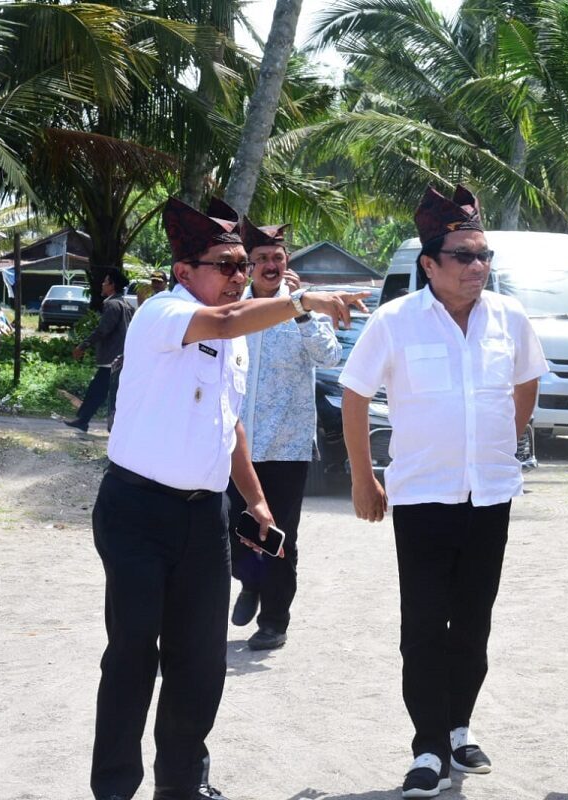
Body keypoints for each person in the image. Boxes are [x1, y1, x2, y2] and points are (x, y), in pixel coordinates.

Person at [89, 197, 365, 800]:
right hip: (137, 511)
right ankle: (114, 788)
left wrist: (257, 502)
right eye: (226, 264)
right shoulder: (163, 312)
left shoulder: (233, 330)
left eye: (244, 264)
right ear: (184, 271)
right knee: (132, 655)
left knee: (200, 660)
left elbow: (230, 422)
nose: (240, 275)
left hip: (204, 516)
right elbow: (225, 321)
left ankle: (182, 785)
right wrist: (301, 302)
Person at [339, 185, 547, 799]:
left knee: (474, 622)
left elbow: (527, 382)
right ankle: (427, 747)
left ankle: (460, 728)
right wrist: (363, 477)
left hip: (490, 495)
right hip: (422, 498)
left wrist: (502, 441)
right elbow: (355, 394)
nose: (477, 266)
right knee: (425, 625)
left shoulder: (509, 317)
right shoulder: (395, 320)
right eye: (463, 256)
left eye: (483, 255)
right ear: (429, 263)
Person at [228, 212, 341, 651]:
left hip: (287, 446)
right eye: (261, 258)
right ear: (249, 265)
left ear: (286, 262)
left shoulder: (306, 306)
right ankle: (250, 583)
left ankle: (274, 621)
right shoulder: (233, 308)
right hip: (234, 445)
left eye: (277, 257)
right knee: (233, 530)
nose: (271, 265)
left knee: (279, 537)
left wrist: (303, 314)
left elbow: (329, 357)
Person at [66, 271, 134, 433]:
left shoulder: (112, 305)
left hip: (112, 357)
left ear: (112, 286)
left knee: (98, 390)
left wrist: (83, 345)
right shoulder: (127, 305)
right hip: (122, 356)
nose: (102, 285)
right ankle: (83, 420)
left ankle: (85, 420)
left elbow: (103, 330)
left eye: (105, 282)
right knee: (103, 391)